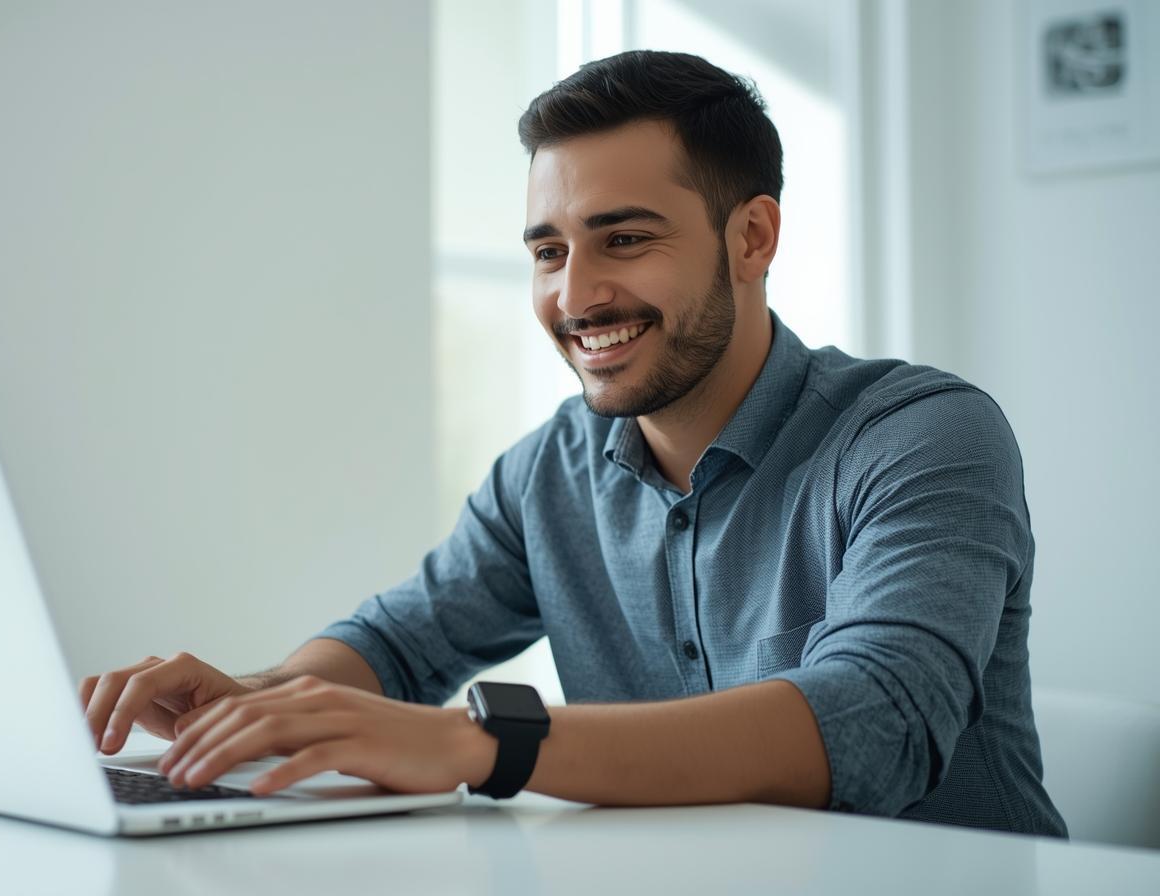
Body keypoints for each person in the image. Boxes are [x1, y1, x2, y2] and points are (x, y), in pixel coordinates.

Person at [78, 49, 1067, 837]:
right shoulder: (550, 468)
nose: (575, 293)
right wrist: (250, 698)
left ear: (753, 237)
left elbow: (873, 719)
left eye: (624, 238)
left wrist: (480, 743)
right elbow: (399, 643)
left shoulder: (922, 434)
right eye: (548, 250)